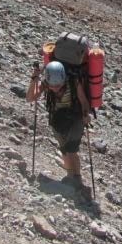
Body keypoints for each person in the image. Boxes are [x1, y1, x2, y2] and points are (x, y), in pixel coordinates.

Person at [26, 61, 92, 192]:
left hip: (76, 117)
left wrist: (86, 115)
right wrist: (34, 79)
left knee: (71, 148)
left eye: (58, 85)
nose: (55, 88)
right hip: (58, 119)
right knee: (64, 149)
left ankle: (76, 179)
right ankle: (71, 177)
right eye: (53, 86)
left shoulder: (73, 82)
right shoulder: (45, 84)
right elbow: (30, 98)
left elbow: (84, 101)